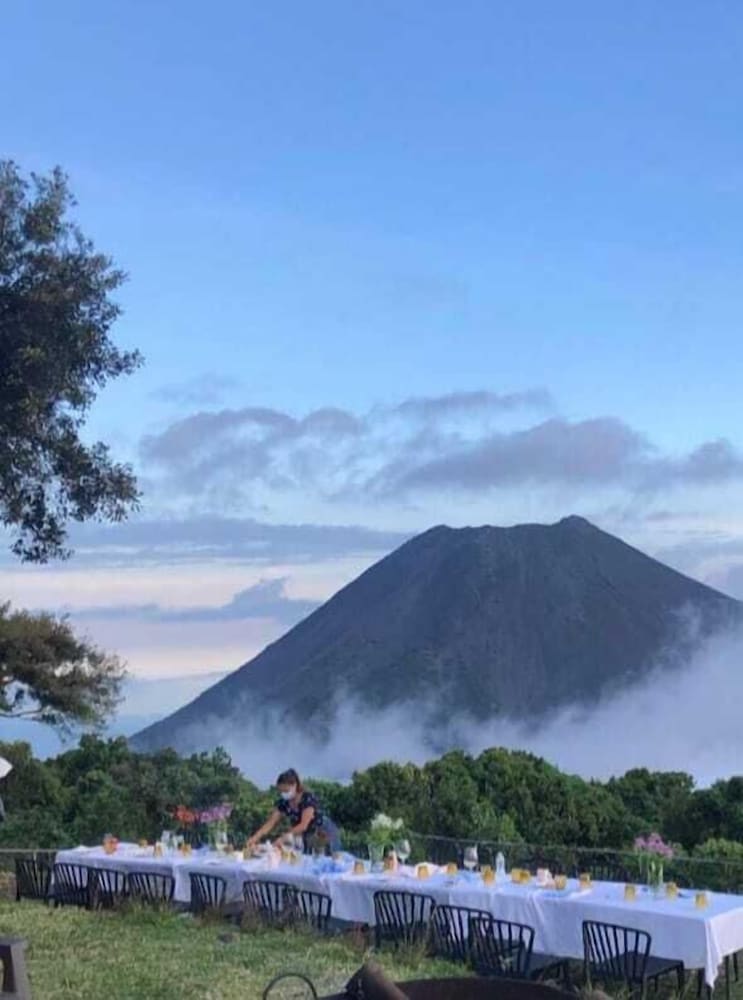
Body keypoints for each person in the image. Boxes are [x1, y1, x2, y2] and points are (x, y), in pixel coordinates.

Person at [247, 768, 342, 853]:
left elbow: (303, 825)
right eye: (281, 791)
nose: (284, 794)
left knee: (328, 859)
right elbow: (270, 823)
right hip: (306, 835)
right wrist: (255, 838)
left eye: (286, 791)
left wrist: (283, 838)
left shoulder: (307, 798)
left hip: (323, 831)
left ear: (295, 785)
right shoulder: (283, 802)